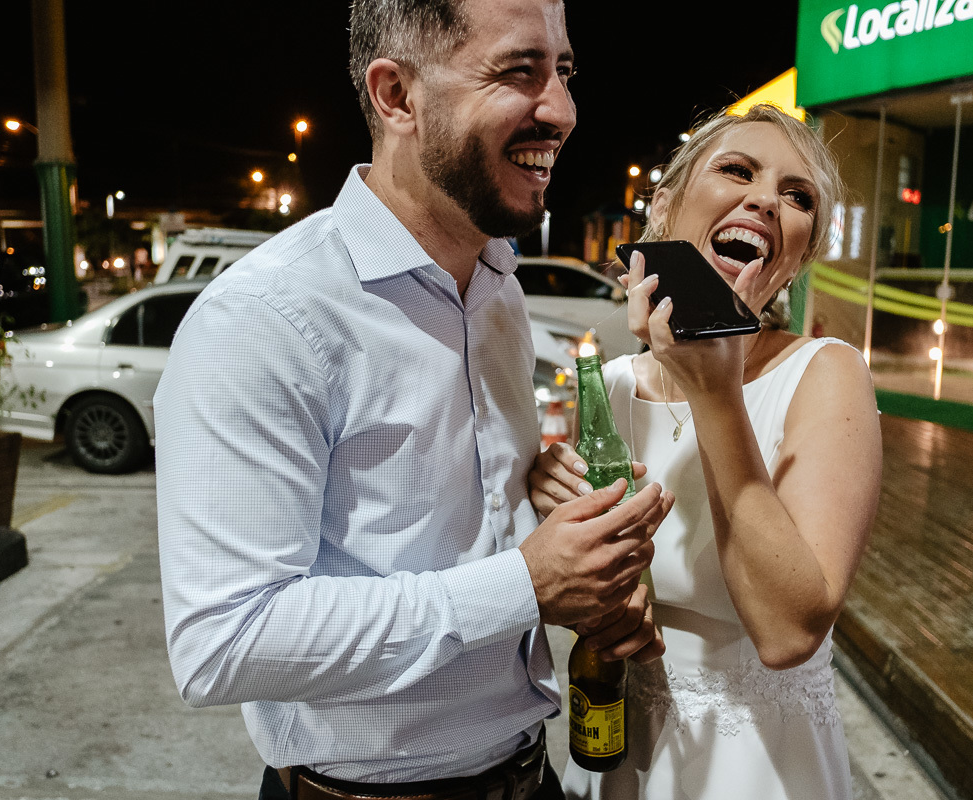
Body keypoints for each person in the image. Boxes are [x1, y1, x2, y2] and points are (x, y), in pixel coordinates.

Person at [153, 1, 674, 799]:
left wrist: (554, 521)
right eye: (519, 70)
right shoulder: (265, 317)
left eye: (564, 72)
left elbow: (446, 533)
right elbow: (224, 643)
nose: (563, 111)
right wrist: (528, 582)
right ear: (397, 96)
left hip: (531, 774)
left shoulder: (498, 288)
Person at [530, 103, 883, 799]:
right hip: (620, 756)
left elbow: (788, 631)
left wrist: (716, 392)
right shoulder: (613, 386)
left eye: (797, 196)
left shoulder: (826, 373)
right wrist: (556, 517)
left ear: (800, 254)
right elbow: (574, 596)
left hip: (759, 767)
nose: (766, 200)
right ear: (665, 208)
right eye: (738, 171)